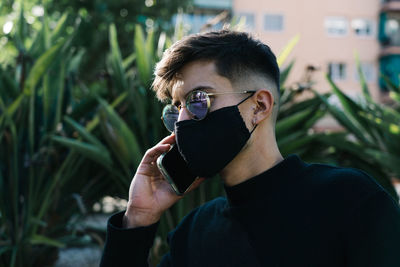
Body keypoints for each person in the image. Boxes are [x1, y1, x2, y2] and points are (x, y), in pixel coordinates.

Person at [100, 30, 400, 267]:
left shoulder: (350, 201)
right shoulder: (195, 231)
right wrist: (138, 217)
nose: (182, 122)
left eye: (198, 100)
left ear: (259, 106)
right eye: (176, 109)